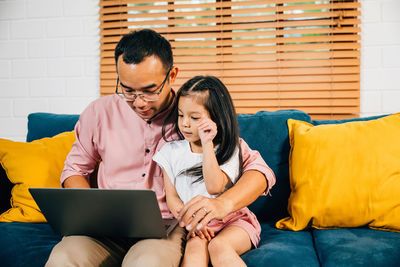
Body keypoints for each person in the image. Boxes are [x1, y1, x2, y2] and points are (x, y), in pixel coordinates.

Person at [45, 29, 275, 267]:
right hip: (104, 229)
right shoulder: (98, 113)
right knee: (62, 260)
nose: (139, 102)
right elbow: (74, 170)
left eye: (150, 90)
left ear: (172, 75)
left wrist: (222, 204)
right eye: (128, 91)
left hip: (163, 230)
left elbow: (258, 171)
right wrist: (92, 215)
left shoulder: (193, 114)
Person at [153, 76, 262, 267]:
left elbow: (214, 186)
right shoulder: (169, 152)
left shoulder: (229, 149)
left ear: (216, 118)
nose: (185, 123)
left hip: (234, 221)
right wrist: (192, 223)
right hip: (197, 226)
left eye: (194, 118)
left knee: (219, 246)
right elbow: (172, 199)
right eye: (180, 115)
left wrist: (207, 144)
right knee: (194, 251)